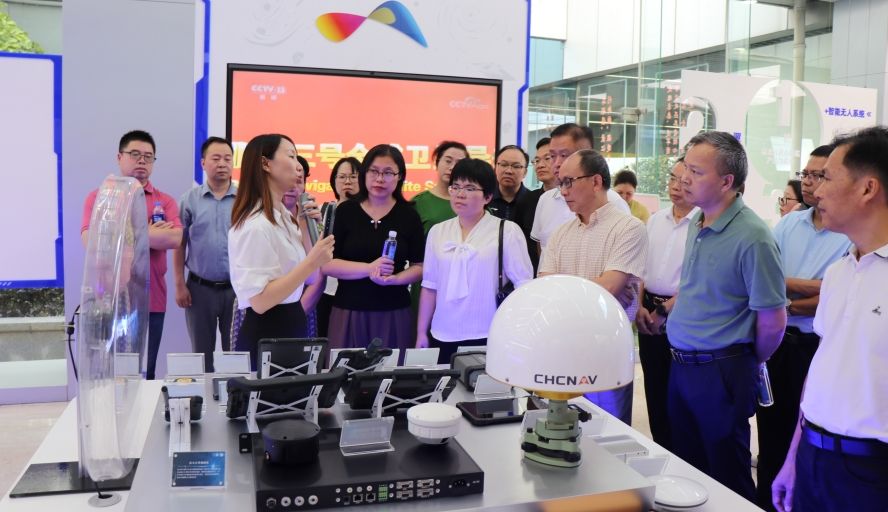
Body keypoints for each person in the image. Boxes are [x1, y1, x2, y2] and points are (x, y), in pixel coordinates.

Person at [665, 131, 786, 501]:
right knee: (687, 473)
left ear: (726, 181)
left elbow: (773, 320)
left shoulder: (753, 236)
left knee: (727, 477)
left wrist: (744, 361)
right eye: (685, 167)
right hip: (682, 365)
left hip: (722, 369)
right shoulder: (698, 222)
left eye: (696, 171)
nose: (684, 178)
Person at [772, 127, 888, 512]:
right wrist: (794, 458)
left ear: (868, 188)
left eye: (827, 178)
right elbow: (821, 372)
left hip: (872, 471)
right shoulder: (840, 272)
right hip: (814, 456)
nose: (816, 191)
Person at [754, 145, 851, 510]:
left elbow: (837, 293)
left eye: (819, 175)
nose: (810, 183)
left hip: (814, 345)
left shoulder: (848, 232)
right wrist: (810, 288)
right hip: (777, 340)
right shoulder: (790, 223)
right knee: (770, 435)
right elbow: (767, 278)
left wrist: (788, 295)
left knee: (807, 437)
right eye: (806, 174)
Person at [538, 149, 648, 426]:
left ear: (596, 181)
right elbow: (545, 290)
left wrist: (564, 288)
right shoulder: (561, 233)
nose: (563, 191)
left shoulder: (629, 228)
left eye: (568, 182)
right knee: (559, 431)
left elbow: (609, 287)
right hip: (562, 347)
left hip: (606, 349)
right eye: (560, 183)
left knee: (607, 431)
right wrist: (582, 288)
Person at [81, 130, 183, 380]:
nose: (142, 161)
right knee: (108, 371)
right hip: (109, 299)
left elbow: (174, 239)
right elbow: (92, 242)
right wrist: (149, 232)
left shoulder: (164, 201)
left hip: (152, 298)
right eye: (135, 154)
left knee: (145, 371)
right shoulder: (101, 198)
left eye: (148, 157)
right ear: (119, 157)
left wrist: (122, 233)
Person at [228, 134, 334, 369]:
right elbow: (261, 301)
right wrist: (312, 260)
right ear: (265, 164)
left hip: (292, 322)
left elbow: (311, 278)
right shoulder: (255, 225)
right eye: (291, 156)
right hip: (267, 331)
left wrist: (305, 228)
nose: (298, 166)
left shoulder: (285, 217)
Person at [415, 159, 533, 363]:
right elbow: (430, 286)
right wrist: (421, 332)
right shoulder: (438, 231)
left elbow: (524, 286)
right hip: (442, 331)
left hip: (488, 332)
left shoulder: (506, 231)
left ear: (488, 196)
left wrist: (519, 333)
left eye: (470, 188)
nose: (460, 194)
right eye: (455, 187)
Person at [323, 144, 425, 352]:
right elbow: (327, 264)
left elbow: (420, 266)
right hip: (348, 310)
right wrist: (369, 268)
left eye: (388, 173)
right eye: (374, 171)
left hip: (394, 311)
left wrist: (395, 279)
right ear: (364, 173)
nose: (380, 179)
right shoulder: (346, 211)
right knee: (344, 371)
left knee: (391, 371)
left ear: (399, 176)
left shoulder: (409, 214)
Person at [635, 158, 698, 450]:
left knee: (680, 396)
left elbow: (697, 281)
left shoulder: (702, 223)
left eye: (684, 181)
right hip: (647, 309)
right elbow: (640, 268)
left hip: (681, 313)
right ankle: (660, 449)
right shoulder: (655, 220)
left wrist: (664, 311)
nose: (675, 186)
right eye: (672, 178)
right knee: (655, 389)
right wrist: (639, 307)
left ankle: (682, 458)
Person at [172, 136, 237, 373]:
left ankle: (234, 395)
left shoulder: (245, 199)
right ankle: (205, 395)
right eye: (216, 158)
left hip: (236, 289)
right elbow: (179, 244)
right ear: (203, 163)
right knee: (201, 356)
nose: (222, 164)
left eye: (227, 159)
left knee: (236, 355)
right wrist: (179, 284)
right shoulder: (189, 200)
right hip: (199, 289)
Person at [531, 123, 630, 268]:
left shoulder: (613, 203)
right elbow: (542, 249)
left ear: (587, 155)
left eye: (564, 155)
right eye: (552, 156)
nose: (556, 163)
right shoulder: (545, 199)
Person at [315, 156, 361, 337]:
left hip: (354, 290)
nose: (347, 182)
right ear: (334, 181)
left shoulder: (368, 213)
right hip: (325, 288)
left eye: (353, 177)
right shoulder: (324, 210)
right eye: (342, 177)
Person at [513, 137, 556, 273]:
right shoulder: (526, 200)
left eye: (547, 158)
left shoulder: (574, 200)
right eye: (536, 160)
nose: (540, 165)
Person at [411, 141, 468, 234]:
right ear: (437, 162)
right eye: (448, 161)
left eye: (459, 163)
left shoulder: (472, 202)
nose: (452, 167)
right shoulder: (418, 202)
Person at [488, 145, 529, 220]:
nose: (508, 171)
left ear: (525, 172)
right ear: (495, 167)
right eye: (504, 165)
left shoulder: (533, 201)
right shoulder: (485, 198)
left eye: (516, 166)